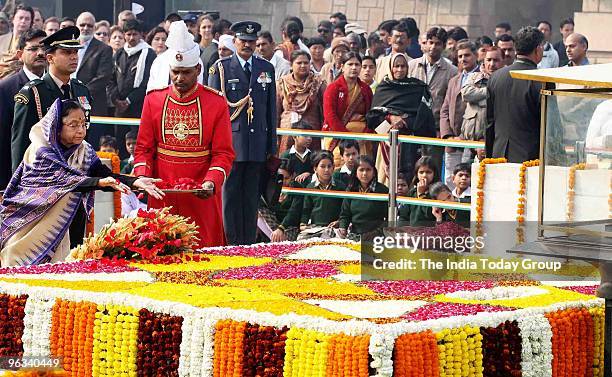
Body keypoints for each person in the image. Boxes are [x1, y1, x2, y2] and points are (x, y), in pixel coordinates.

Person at [0, 99, 162, 266]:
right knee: (19, 273)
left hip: (70, 223)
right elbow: (63, 180)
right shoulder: (41, 150)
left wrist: (135, 181)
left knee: (62, 272)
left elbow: (104, 175)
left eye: (83, 124)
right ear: (56, 125)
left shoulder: (84, 150)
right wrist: (98, 182)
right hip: (29, 224)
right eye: (73, 125)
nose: (81, 130)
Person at [134, 21, 235, 247]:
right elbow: (144, 149)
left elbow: (223, 154)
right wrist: (142, 177)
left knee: (205, 257)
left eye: (186, 73)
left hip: (201, 196)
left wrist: (211, 182)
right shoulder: (153, 99)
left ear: (198, 70)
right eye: (175, 72)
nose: (179, 78)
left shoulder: (216, 102)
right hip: (162, 195)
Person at [208, 20, 277, 246]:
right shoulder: (221, 68)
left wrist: (271, 146)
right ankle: (230, 240)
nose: (247, 45)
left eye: (251, 41)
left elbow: (270, 110)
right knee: (230, 196)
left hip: (256, 142)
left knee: (251, 197)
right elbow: (214, 111)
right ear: (234, 41)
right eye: (243, 41)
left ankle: (247, 241)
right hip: (231, 143)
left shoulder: (265, 68)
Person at [11, 26, 92, 172]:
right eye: (67, 52)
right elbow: (20, 144)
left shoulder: (82, 90)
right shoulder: (33, 92)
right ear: (50, 58)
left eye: (75, 52)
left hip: (78, 173)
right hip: (42, 174)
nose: (74, 57)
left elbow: (86, 137)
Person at [368, 53, 436, 184]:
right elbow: (373, 117)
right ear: (390, 67)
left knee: (411, 180)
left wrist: (405, 122)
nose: (400, 70)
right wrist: (390, 118)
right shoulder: (383, 88)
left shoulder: (417, 88)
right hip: (387, 142)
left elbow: (425, 115)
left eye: (403, 66)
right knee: (386, 181)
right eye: (396, 66)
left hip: (411, 142)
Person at [486, 26, 545, 163]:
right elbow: (550, 126)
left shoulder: (496, 77)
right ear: (537, 49)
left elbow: (489, 123)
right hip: (530, 160)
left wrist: (489, 157)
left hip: (498, 155)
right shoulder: (542, 80)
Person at [0, 29, 46, 190]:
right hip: (17, 175)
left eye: (44, 48)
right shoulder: (6, 88)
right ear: (20, 54)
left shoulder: (56, 84)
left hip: (51, 175)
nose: (40, 53)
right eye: (33, 49)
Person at [323, 52, 373, 166]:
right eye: (350, 64)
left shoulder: (366, 89)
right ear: (342, 67)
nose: (354, 67)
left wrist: (365, 136)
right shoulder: (333, 88)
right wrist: (347, 137)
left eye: (357, 64)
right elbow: (330, 116)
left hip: (362, 139)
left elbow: (371, 116)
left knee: (362, 170)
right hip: (338, 137)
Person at [440, 40, 478, 187]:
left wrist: (464, 137)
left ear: (475, 55)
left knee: (468, 181)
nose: (463, 59)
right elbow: (444, 110)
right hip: (453, 141)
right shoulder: (454, 80)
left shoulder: (483, 78)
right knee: (450, 180)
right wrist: (448, 135)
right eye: (460, 56)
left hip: (471, 140)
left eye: (467, 55)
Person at [75, 12, 113, 150]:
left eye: (89, 25)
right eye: (82, 25)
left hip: (93, 107)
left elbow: (103, 77)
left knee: (90, 148)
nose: (85, 28)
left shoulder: (104, 49)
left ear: (94, 27)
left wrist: (78, 94)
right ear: (76, 26)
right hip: (68, 106)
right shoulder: (67, 47)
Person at [276, 50, 326, 153]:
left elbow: (325, 110)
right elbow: (275, 112)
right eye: (299, 63)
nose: (303, 66)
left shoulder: (318, 83)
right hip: (287, 132)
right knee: (286, 163)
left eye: (306, 63)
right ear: (291, 65)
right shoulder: (282, 83)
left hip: (311, 134)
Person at [108, 20, 155, 119]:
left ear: (141, 34)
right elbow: (111, 78)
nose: (132, 38)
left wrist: (129, 100)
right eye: (129, 34)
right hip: (119, 107)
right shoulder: (119, 53)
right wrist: (116, 99)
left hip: (139, 107)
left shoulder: (149, 54)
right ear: (124, 35)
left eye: (135, 34)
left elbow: (147, 82)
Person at [297, 150, 347, 240]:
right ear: (315, 169)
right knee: (301, 239)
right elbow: (306, 209)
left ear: (333, 167)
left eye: (329, 166)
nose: (326, 170)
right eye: (322, 166)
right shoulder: (310, 187)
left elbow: (345, 210)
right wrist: (303, 224)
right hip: (315, 228)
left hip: (334, 228)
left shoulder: (340, 186)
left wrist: (339, 222)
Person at [338, 155, 388, 240]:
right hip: (355, 236)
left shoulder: (383, 191)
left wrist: (376, 233)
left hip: (377, 237)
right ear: (356, 173)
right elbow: (345, 215)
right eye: (361, 170)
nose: (365, 173)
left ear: (373, 172)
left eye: (368, 170)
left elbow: (388, 218)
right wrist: (343, 228)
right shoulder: (351, 190)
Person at [461, 47, 502, 144]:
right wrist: (489, 91)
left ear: (503, 61)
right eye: (489, 60)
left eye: (496, 60)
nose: (492, 64)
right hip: (470, 139)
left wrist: (478, 97)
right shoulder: (474, 76)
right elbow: (466, 94)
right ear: (484, 61)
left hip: (495, 141)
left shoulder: (506, 80)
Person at [398, 156, 439, 226]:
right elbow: (404, 216)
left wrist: (421, 194)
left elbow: (429, 214)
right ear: (416, 174)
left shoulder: (438, 192)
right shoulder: (412, 192)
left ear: (434, 174)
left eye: (428, 172)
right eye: (421, 172)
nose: (424, 175)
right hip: (412, 233)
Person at [0, 5, 34, 78]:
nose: (23, 21)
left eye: (27, 19)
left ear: (31, 22)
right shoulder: (1, 40)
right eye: (20, 18)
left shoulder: (34, 43)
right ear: (13, 19)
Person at [198, 14, 218, 83]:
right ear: (199, 31)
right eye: (204, 27)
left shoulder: (218, 49)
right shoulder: (194, 50)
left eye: (209, 27)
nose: (207, 30)